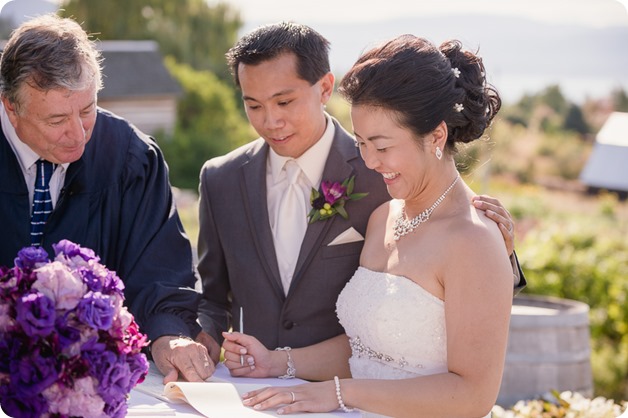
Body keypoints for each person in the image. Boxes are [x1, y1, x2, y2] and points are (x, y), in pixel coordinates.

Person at [197, 21, 524, 366]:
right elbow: (212, 296)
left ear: (324, 88)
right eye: (254, 106)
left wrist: (502, 255)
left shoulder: (385, 173)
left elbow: (450, 272)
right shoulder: (221, 180)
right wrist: (200, 338)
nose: (271, 120)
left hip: (345, 390)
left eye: (284, 101)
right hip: (252, 387)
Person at [0, 14, 215, 383]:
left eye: (87, 110)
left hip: (89, 379)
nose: (77, 134)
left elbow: (159, 270)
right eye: (56, 120)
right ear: (11, 107)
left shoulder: (132, 157)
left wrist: (170, 336)